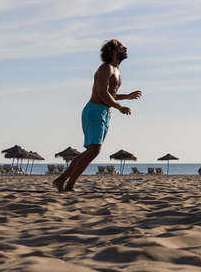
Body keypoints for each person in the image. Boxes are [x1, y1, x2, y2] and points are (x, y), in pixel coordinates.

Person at [53, 39, 141, 192]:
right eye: (121, 47)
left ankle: (61, 181)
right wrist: (119, 106)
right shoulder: (106, 68)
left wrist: (127, 96)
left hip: (103, 111)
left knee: (91, 151)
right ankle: (68, 186)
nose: (125, 48)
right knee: (94, 150)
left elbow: (110, 94)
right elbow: (102, 93)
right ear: (113, 52)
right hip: (95, 110)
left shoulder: (115, 70)